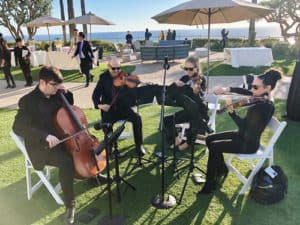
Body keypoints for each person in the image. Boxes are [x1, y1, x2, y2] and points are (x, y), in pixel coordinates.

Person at [198, 68, 282, 194]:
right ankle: (221, 170)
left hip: (249, 144)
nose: (252, 90)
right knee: (210, 139)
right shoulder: (260, 97)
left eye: (255, 87)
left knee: (214, 146)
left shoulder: (264, 106)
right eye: (252, 86)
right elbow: (245, 91)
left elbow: (245, 126)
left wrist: (232, 112)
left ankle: (209, 184)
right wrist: (228, 90)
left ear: (268, 88)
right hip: (242, 135)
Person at [12, 66, 76, 224]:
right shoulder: (28, 101)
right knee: (67, 161)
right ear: (42, 82)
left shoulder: (56, 94)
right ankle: (70, 205)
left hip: (60, 140)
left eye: (58, 85)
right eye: (54, 85)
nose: (56, 88)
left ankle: (91, 173)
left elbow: (69, 107)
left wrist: (66, 92)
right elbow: (18, 127)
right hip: (41, 147)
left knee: (79, 151)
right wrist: (44, 136)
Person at [92, 56, 146, 156]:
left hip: (123, 108)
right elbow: (95, 94)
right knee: (107, 125)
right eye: (114, 68)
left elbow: (133, 94)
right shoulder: (103, 78)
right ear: (108, 66)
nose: (117, 71)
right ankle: (110, 149)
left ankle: (139, 145)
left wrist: (135, 87)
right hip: (109, 110)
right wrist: (100, 105)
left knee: (137, 119)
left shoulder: (125, 76)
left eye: (118, 68)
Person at [163, 56, 210, 151]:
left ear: (197, 68)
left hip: (199, 111)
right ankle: (176, 139)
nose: (188, 71)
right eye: (186, 68)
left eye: (191, 69)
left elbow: (200, 99)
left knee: (194, 119)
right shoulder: (185, 78)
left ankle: (186, 144)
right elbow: (170, 94)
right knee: (166, 120)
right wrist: (174, 85)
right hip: (188, 111)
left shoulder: (202, 79)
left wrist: (195, 91)